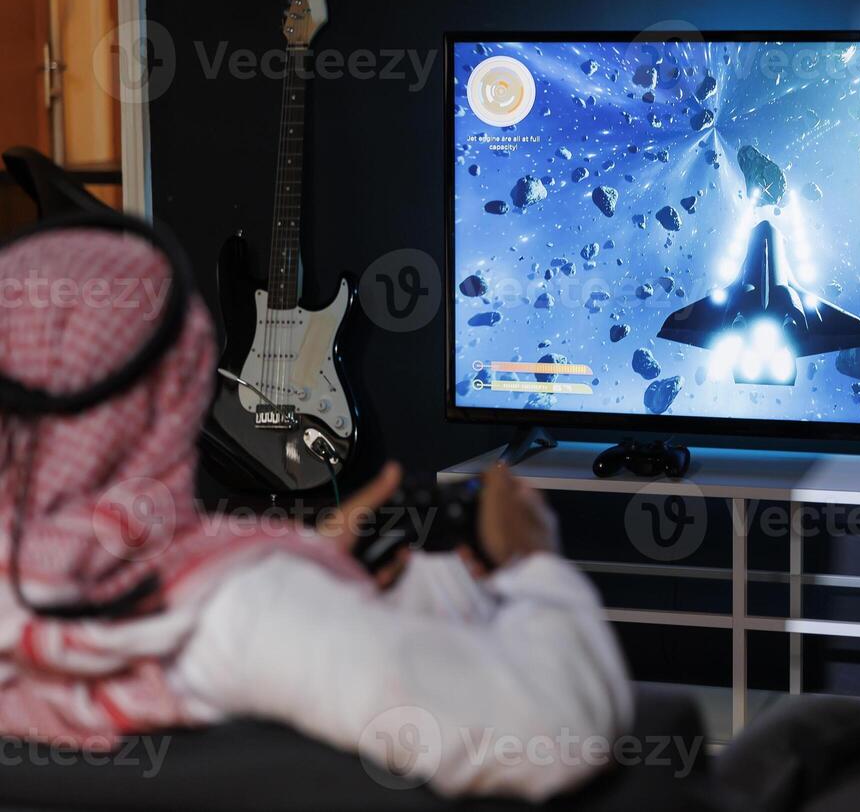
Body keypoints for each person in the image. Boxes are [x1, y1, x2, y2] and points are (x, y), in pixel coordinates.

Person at [0, 224, 632, 801]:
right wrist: (533, 566)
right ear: (174, 398)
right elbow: (550, 739)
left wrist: (314, 559)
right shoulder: (245, 613)